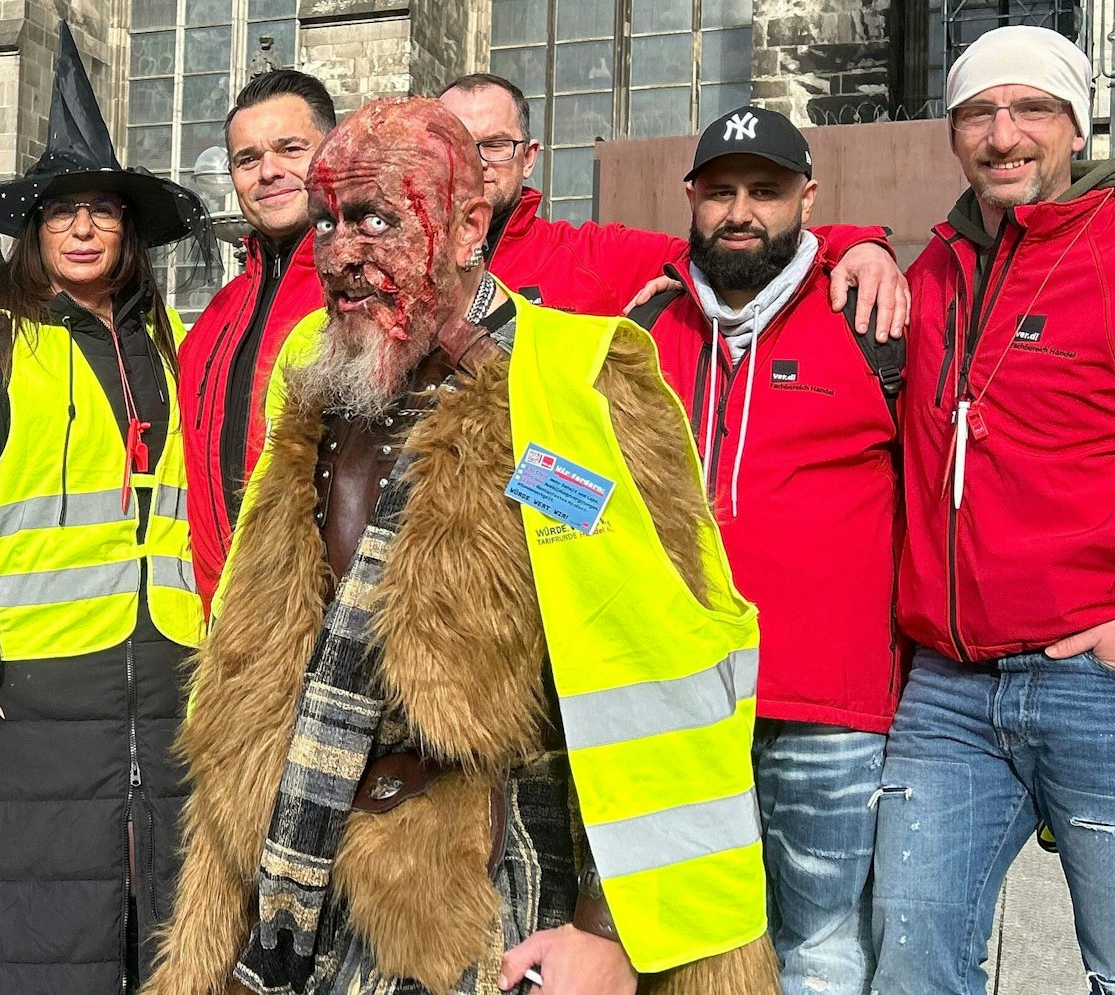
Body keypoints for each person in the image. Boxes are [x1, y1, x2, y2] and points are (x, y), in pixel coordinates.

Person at [146, 95, 775, 995]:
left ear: (469, 224)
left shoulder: (579, 378)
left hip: (495, 887)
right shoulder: (317, 380)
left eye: (376, 218)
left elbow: (667, 680)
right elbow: (266, 665)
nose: (342, 252)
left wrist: (609, 931)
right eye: (328, 222)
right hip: (306, 877)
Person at [0, 21, 213, 994]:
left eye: (100, 214)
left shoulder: (168, 347)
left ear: (126, 235)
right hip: (25, 678)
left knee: (133, 904)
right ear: (34, 237)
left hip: (155, 668)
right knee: (23, 911)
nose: (82, 229)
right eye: (61, 214)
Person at [873, 25, 1115, 995]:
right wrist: (852, 246)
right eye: (978, 113)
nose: (1002, 134)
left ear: (1073, 129)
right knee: (908, 966)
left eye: (1029, 109)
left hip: (1104, 682)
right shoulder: (933, 271)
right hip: (947, 692)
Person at [629, 106, 903, 995]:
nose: (741, 210)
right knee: (692, 941)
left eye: (766, 190)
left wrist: (868, 244)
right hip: (682, 693)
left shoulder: (868, 319)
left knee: (821, 939)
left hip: (824, 704)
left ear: (808, 198)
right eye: (720, 192)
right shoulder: (649, 331)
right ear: (692, 200)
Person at [437, 73, 910, 338]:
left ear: (529, 156)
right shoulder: (391, 255)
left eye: (496, 145)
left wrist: (857, 245)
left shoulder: (590, 256)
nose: (477, 163)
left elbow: (739, 239)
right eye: (457, 143)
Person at [177, 68, 334, 614]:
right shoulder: (212, 320)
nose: (268, 172)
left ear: (331, 152)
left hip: (329, 618)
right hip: (223, 619)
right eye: (247, 159)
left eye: (291, 149)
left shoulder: (371, 293)